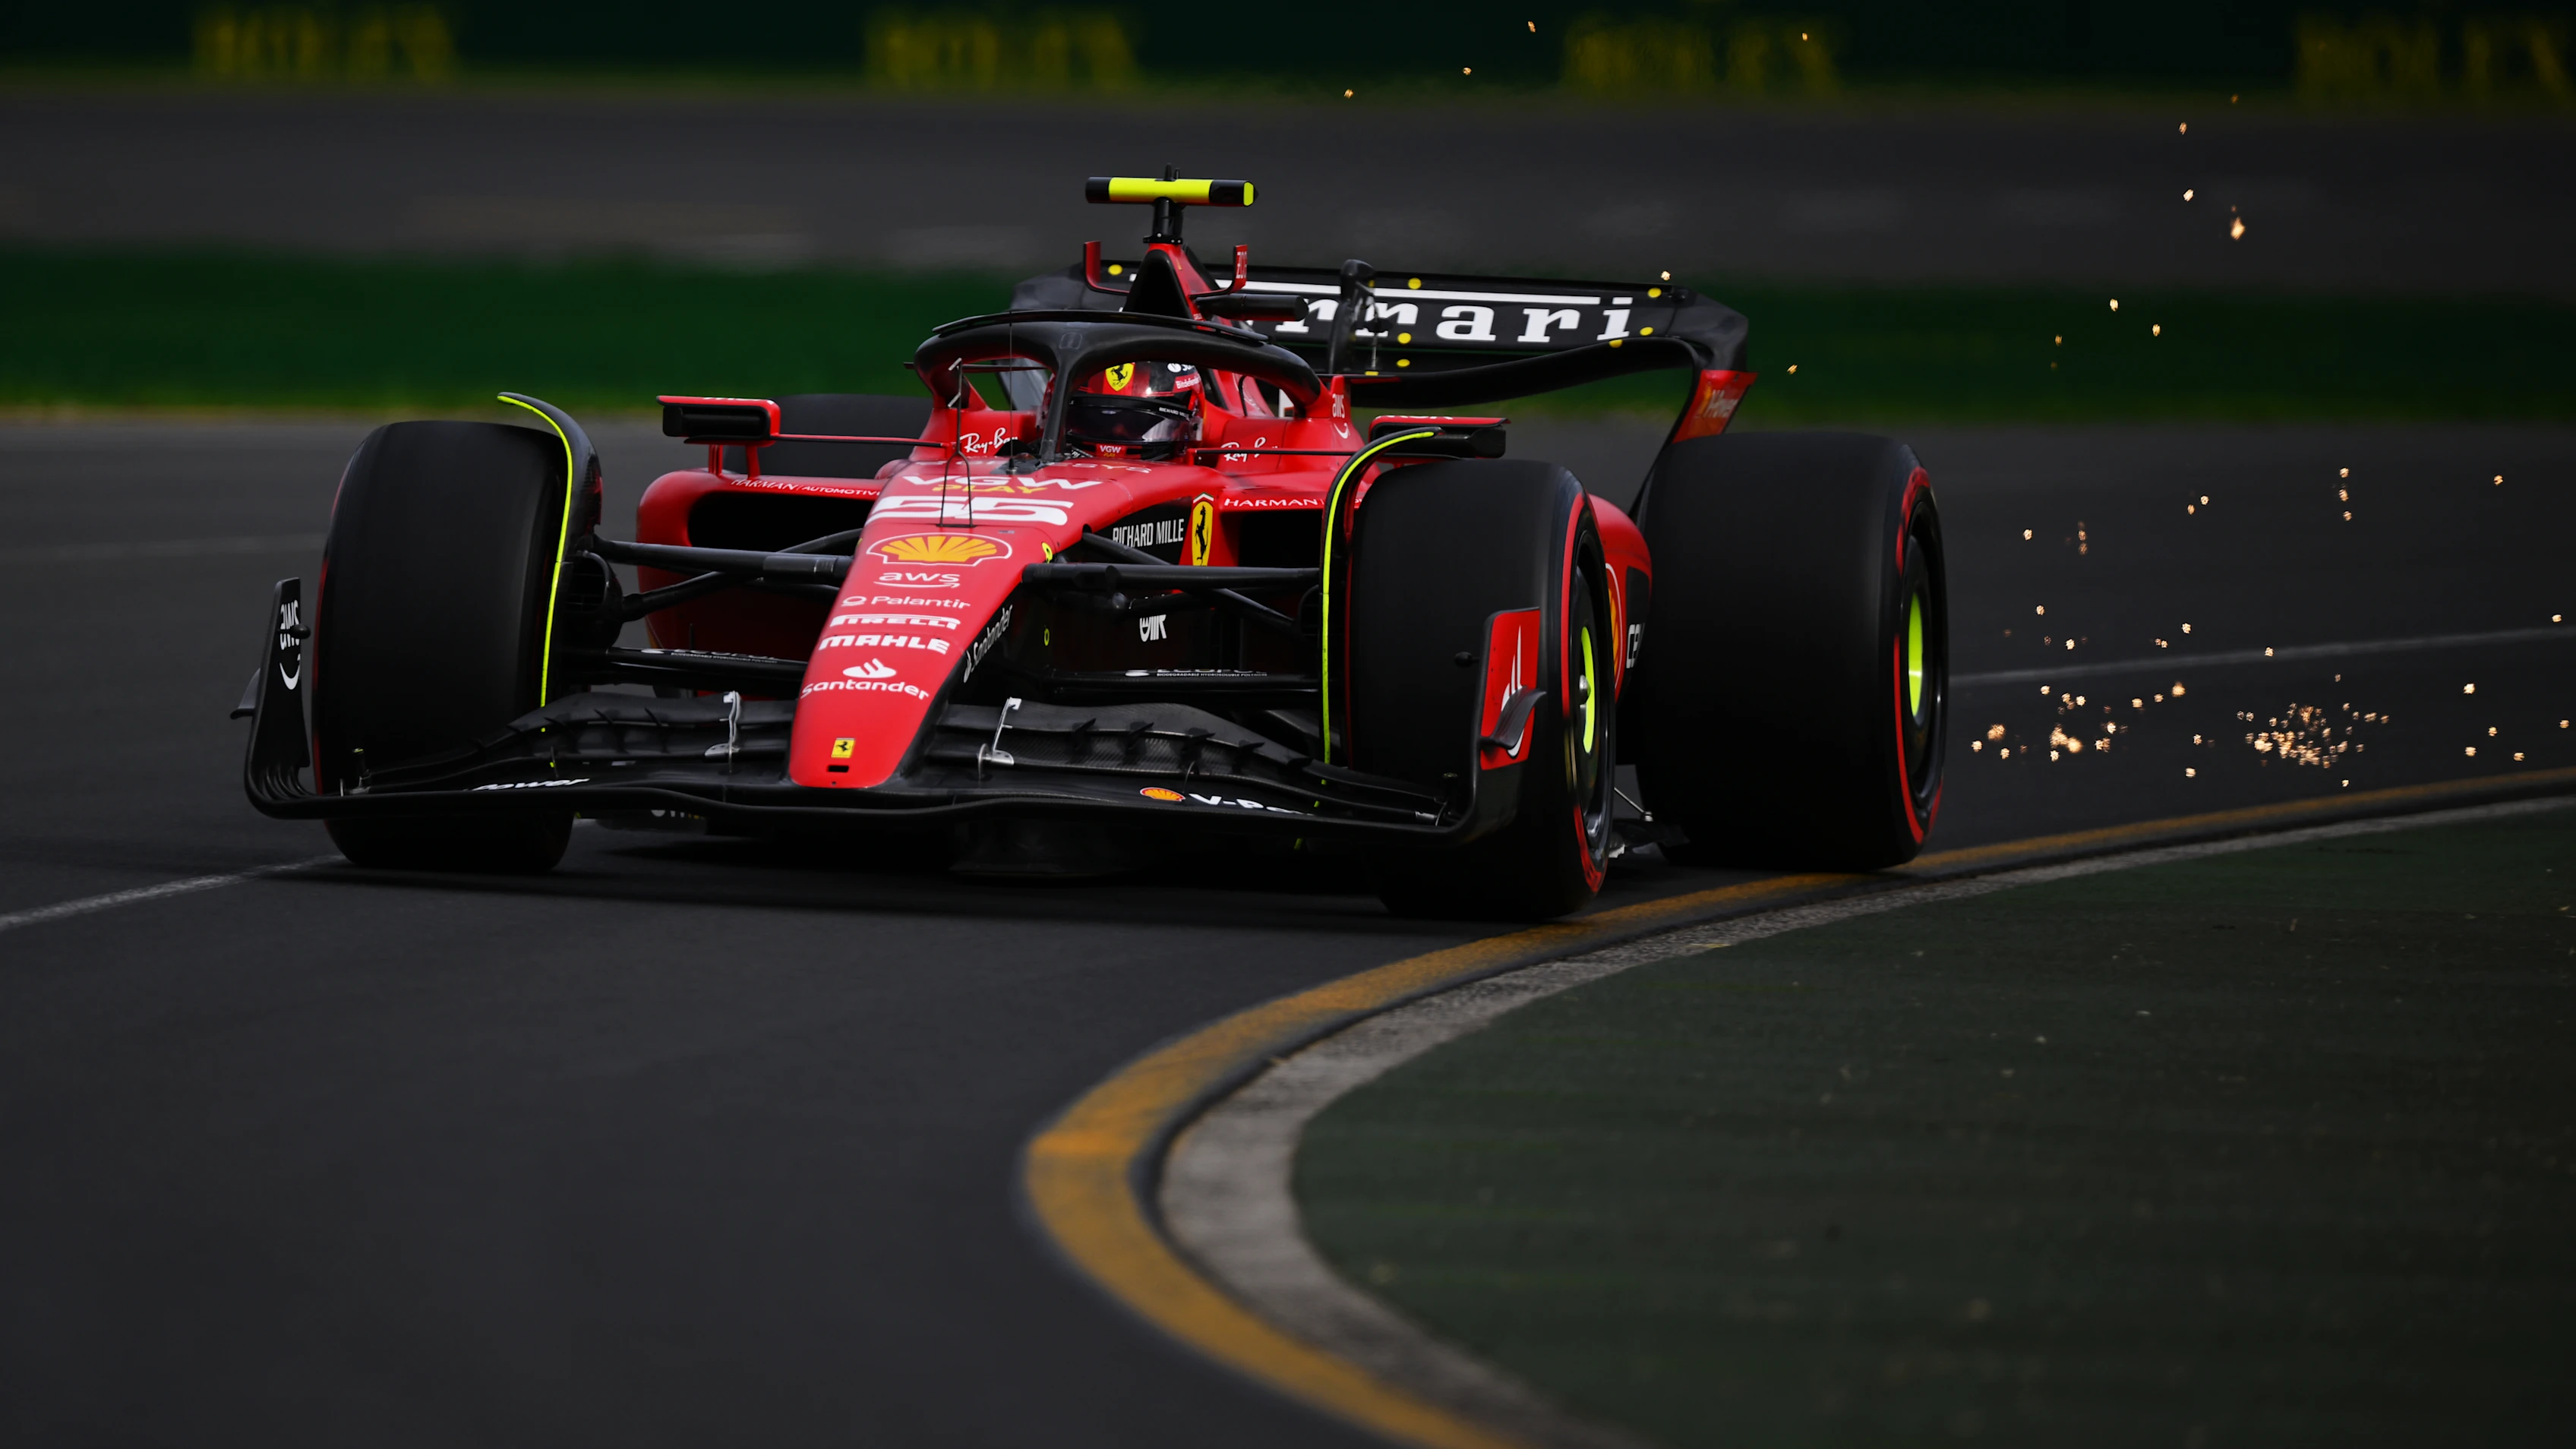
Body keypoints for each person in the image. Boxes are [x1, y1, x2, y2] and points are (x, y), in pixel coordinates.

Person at [1062, 360, 1202, 459]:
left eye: (1138, 423)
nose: (1117, 431)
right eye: (1098, 422)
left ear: (1193, 427)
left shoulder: (1220, 432)